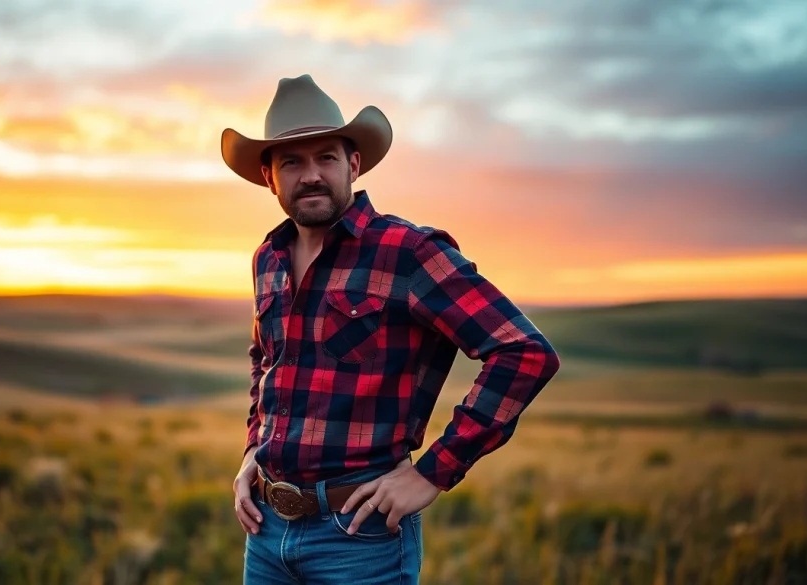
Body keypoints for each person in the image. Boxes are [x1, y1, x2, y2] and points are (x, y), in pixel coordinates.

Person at [220, 74, 561, 584]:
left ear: (353, 164)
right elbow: (266, 361)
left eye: (326, 158)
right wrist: (254, 448)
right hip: (266, 533)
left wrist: (433, 472)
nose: (311, 175)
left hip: (360, 537)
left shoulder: (408, 252)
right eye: (291, 161)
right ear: (269, 177)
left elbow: (524, 352)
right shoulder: (267, 258)